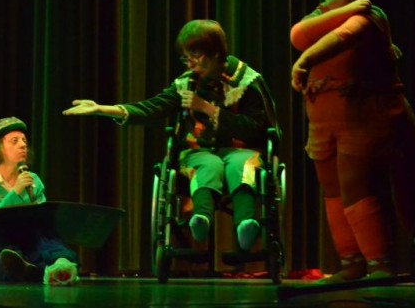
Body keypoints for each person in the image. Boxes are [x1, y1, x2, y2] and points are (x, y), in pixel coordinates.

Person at [63, 19, 278, 252]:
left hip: (241, 149)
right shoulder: (187, 83)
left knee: (240, 165)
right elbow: (152, 107)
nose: (190, 63)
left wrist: (208, 108)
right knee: (209, 165)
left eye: (195, 56)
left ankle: (246, 224)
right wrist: (102, 109)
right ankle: (201, 219)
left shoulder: (246, 81)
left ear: (215, 53)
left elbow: (255, 128)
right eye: (186, 57)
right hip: (199, 151)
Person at [290, 0, 415, 283]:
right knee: (332, 191)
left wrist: (305, 61)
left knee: (355, 189)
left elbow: (343, 36)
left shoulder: (370, 17)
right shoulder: (323, 17)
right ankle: (352, 263)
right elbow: (299, 35)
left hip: (363, 119)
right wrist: (344, 9)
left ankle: (380, 264)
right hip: (325, 124)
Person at [0, 117, 79, 286]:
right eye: (15, 141)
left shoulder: (33, 179)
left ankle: (60, 263)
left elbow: (44, 218)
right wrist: (16, 191)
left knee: (44, 234)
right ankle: (28, 269)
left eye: (24, 141)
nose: (23, 145)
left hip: (27, 239)